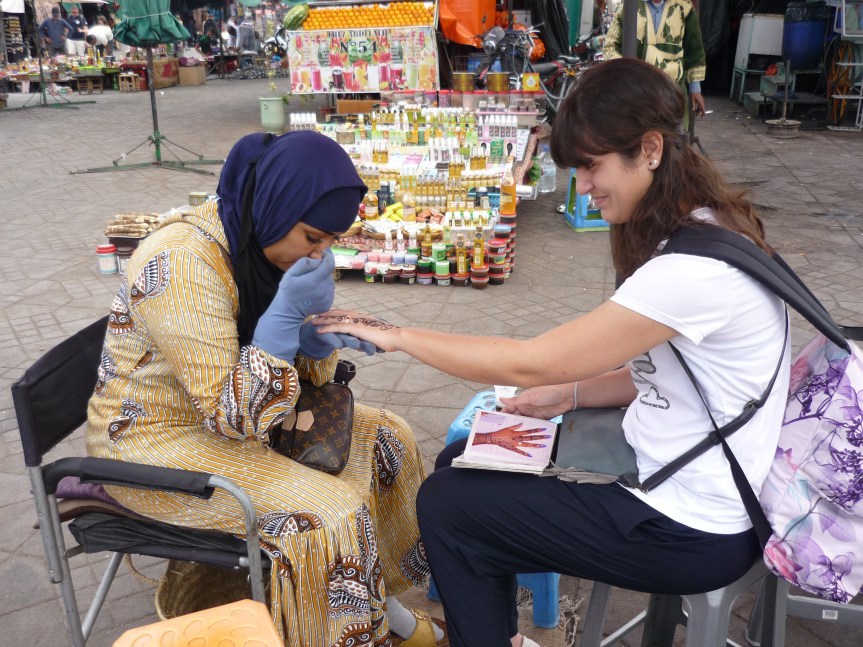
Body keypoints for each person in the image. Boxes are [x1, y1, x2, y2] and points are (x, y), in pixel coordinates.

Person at [314, 57, 789, 647]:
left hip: (688, 527)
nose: (583, 187)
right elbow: (669, 376)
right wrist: (568, 396)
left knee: (447, 505)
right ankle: (490, 628)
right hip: (673, 470)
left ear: (650, 150)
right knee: (463, 457)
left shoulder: (690, 271)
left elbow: (527, 360)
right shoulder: (704, 227)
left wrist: (398, 334)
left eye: (591, 167)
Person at [85, 131, 447, 647]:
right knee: (327, 513)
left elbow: (289, 391)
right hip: (151, 442)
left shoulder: (256, 239)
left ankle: (376, 605)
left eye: (329, 242)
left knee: (389, 437)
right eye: (313, 238)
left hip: (228, 422)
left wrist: (313, 343)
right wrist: (282, 323)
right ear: (276, 205)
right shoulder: (182, 259)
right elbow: (233, 417)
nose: (321, 255)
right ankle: (355, 632)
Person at [603, 0, 707, 119]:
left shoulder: (684, 6)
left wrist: (695, 89)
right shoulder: (628, 7)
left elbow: (694, 50)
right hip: (637, 94)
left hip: (673, 93)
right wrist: (628, 72)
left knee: (673, 134)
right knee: (640, 134)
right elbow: (610, 47)